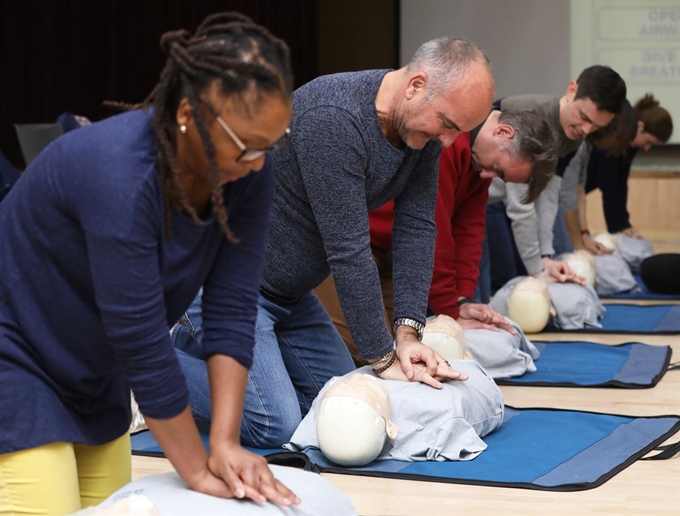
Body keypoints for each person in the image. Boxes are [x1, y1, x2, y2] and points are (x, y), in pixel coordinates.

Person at [0, 12, 299, 514]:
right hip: (16, 356)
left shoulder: (248, 169)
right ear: (188, 113)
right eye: (247, 146)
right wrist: (197, 470)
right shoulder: (119, 175)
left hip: (97, 371)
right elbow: (140, 340)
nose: (259, 163)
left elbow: (231, 305)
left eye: (272, 144)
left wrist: (224, 443)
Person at [175, 37, 496, 447]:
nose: (449, 143)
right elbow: (348, 251)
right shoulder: (335, 117)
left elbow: (417, 227)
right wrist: (383, 357)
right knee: (275, 424)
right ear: (415, 85)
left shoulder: (424, 134)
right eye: (448, 124)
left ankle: (204, 348)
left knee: (332, 407)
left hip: (287, 294)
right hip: (225, 281)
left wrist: (408, 335)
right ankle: (141, 361)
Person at [315, 109, 558, 365]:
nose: (489, 176)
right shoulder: (446, 141)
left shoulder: (478, 162)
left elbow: (469, 230)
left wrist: (462, 299)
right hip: (350, 249)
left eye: (498, 176)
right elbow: (432, 232)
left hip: (392, 254)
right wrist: (449, 312)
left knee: (397, 350)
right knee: (369, 353)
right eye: (497, 168)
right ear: (503, 132)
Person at [481, 66, 627, 298]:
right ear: (571, 91)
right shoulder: (533, 120)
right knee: (489, 284)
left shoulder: (574, 136)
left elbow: (549, 194)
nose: (586, 130)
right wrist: (539, 272)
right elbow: (522, 206)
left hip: (487, 199)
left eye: (596, 126)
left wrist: (546, 256)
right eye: (584, 117)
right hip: (473, 199)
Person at [565, 94, 673, 252]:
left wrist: (624, 224)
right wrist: (617, 228)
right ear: (641, 126)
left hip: (575, 192)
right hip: (564, 193)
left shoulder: (631, 144)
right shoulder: (615, 135)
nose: (647, 148)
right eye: (649, 142)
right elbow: (608, 186)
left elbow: (620, 183)